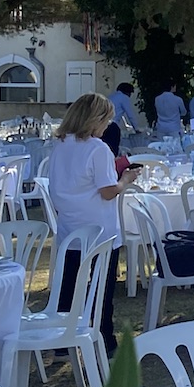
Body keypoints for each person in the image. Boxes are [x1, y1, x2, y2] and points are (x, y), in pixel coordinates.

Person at [45, 93, 137, 357]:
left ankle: (63, 341)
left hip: (70, 226)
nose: (107, 126)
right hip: (99, 229)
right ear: (95, 120)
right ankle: (104, 339)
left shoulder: (61, 144)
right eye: (106, 121)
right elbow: (108, 191)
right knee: (101, 289)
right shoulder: (98, 148)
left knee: (68, 287)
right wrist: (126, 179)